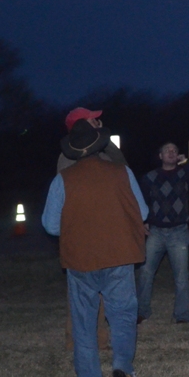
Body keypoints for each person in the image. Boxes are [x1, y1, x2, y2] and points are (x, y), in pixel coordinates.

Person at [42, 119, 149, 377]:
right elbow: (144, 212)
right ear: (99, 143)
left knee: (84, 320)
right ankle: (123, 369)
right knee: (123, 316)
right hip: (119, 254)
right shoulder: (122, 173)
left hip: (81, 259)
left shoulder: (62, 180)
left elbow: (51, 226)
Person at [56, 107, 123, 350]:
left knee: (104, 289)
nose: (99, 121)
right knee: (82, 292)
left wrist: (105, 141)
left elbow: (122, 168)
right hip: (83, 233)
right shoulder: (70, 157)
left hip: (105, 230)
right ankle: (76, 340)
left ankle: (100, 339)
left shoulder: (103, 149)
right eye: (93, 120)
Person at [136, 142, 189, 324]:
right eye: (167, 150)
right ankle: (141, 311)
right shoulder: (149, 177)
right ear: (160, 156)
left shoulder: (184, 173)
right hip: (155, 232)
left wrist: (187, 163)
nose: (171, 153)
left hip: (179, 231)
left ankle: (181, 314)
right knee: (146, 272)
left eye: (174, 150)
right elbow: (140, 201)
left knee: (181, 276)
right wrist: (143, 222)